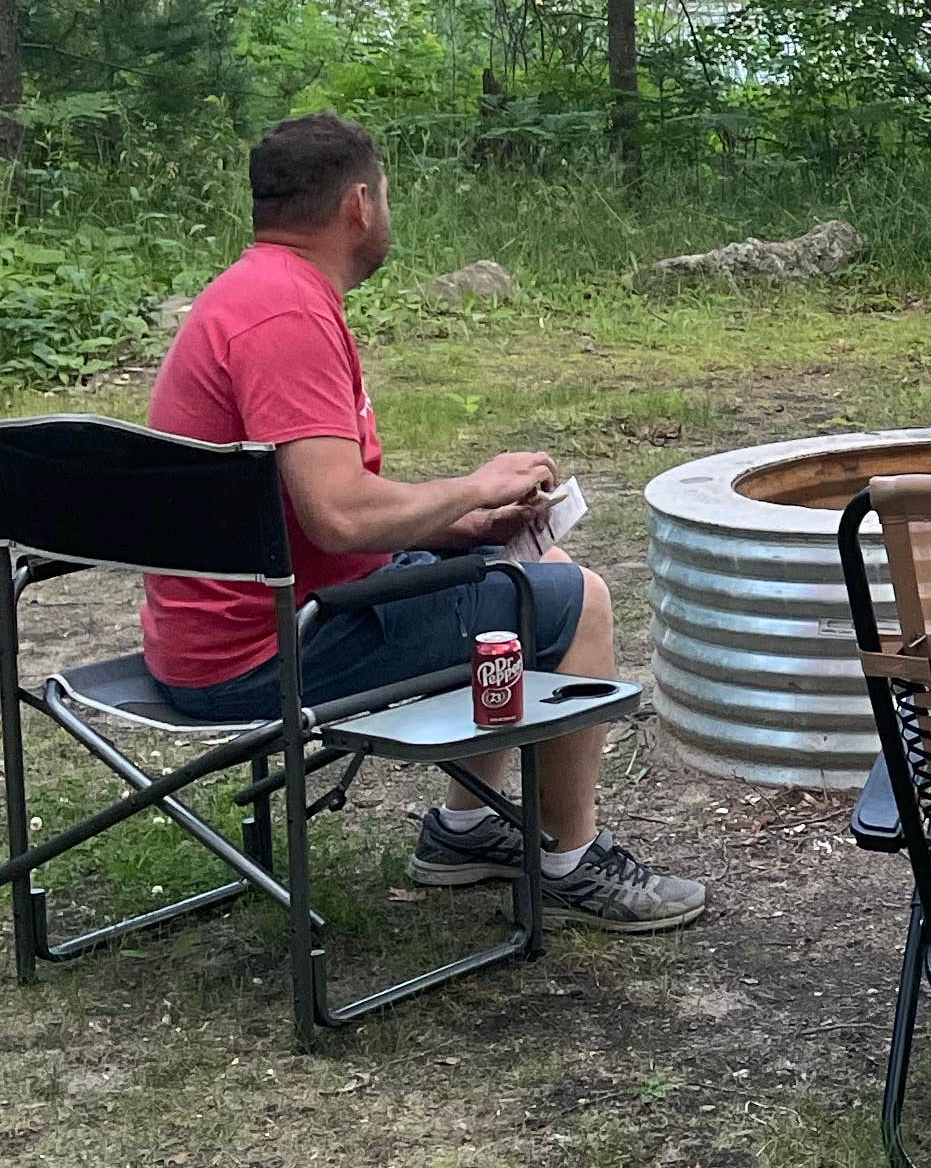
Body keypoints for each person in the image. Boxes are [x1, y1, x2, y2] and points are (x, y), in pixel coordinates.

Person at [140, 110, 707, 930]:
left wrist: (449, 530)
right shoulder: (286, 317)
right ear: (361, 205)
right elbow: (338, 513)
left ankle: (466, 830)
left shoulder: (253, 290)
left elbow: (311, 512)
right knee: (574, 599)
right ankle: (573, 861)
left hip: (231, 625)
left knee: (516, 576)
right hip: (267, 653)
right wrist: (476, 487)